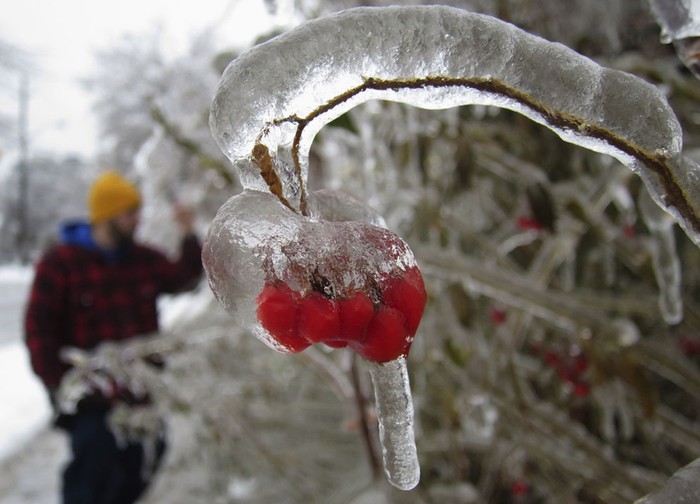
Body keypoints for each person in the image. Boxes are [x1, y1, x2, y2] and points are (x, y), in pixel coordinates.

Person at [24, 170, 203, 504]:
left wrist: (188, 231)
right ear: (107, 216)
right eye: (130, 212)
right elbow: (39, 330)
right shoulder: (60, 263)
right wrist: (59, 385)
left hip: (140, 394)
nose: (138, 219)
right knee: (91, 475)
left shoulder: (142, 259)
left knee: (147, 458)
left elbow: (185, 279)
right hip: (91, 401)